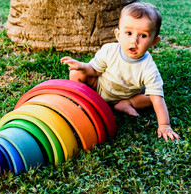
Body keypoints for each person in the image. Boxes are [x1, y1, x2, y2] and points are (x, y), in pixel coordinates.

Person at [60, 2, 179, 142]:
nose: (134, 41)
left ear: (154, 41)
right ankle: (81, 102)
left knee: (153, 98)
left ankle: (127, 104)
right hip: (98, 88)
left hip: (127, 95)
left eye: (143, 36)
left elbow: (157, 98)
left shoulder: (148, 68)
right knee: (76, 74)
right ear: (118, 34)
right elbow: (94, 70)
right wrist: (81, 65)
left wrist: (164, 125)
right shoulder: (109, 50)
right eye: (128, 33)